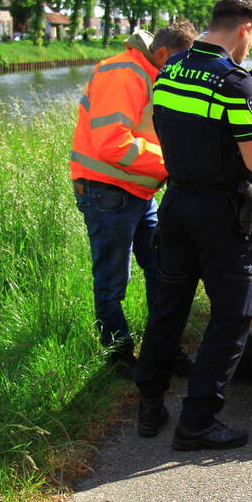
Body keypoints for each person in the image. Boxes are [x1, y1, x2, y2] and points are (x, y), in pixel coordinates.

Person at [134, 0, 252, 450]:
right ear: (245, 29)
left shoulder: (169, 71)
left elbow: (166, 130)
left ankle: (150, 406)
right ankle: (198, 421)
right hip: (220, 214)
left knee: (168, 309)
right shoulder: (235, 83)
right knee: (233, 314)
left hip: (175, 205)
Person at [70, 22, 196, 376]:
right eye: (180, 60)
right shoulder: (125, 72)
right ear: (161, 53)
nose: (184, 69)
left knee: (162, 270)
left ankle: (163, 350)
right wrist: (172, 165)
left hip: (138, 191)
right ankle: (119, 356)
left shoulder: (150, 73)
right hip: (107, 191)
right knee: (113, 279)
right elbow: (112, 142)